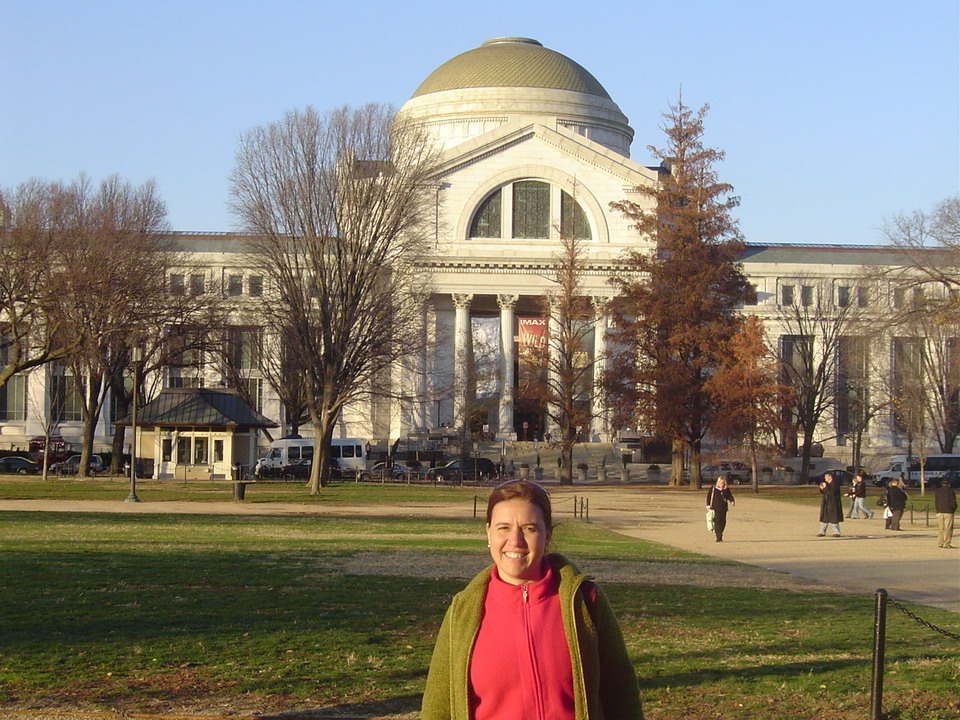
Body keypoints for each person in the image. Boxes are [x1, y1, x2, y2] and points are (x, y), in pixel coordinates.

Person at [421, 479, 642, 720]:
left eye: (529, 528)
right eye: (503, 527)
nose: (515, 541)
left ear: (547, 535)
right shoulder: (463, 611)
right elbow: (438, 706)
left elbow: (621, 691)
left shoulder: (585, 601)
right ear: (489, 533)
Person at [705, 475, 735, 542]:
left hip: (723, 508)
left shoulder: (726, 490)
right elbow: (708, 497)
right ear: (718, 483)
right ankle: (718, 536)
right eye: (721, 483)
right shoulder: (713, 489)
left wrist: (732, 501)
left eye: (724, 483)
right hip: (715, 508)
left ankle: (720, 533)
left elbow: (729, 496)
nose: (723, 484)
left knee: (723, 522)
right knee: (717, 522)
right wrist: (708, 505)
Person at [817, 472, 844, 537]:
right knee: (824, 517)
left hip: (833, 503)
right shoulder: (827, 484)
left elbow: (831, 493)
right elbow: (825, 492)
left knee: (834, 518)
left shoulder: (835, 484)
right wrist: (821, 488)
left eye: (826, 477)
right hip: (826, 502)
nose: (825, 478)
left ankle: (837, 532)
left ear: (830, 477)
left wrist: (825, 487)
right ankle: (822, 532)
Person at [934, 478, 957, 548]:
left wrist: (937, 510)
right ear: (948, 484)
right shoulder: (950, 491)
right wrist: (953, 508)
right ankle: (946, 543)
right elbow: (953, 502)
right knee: (948, 528)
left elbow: (936, 501)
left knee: (941, 528)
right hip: (948, 511)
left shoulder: (937, 491)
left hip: (940, 511)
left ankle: (940, 542)